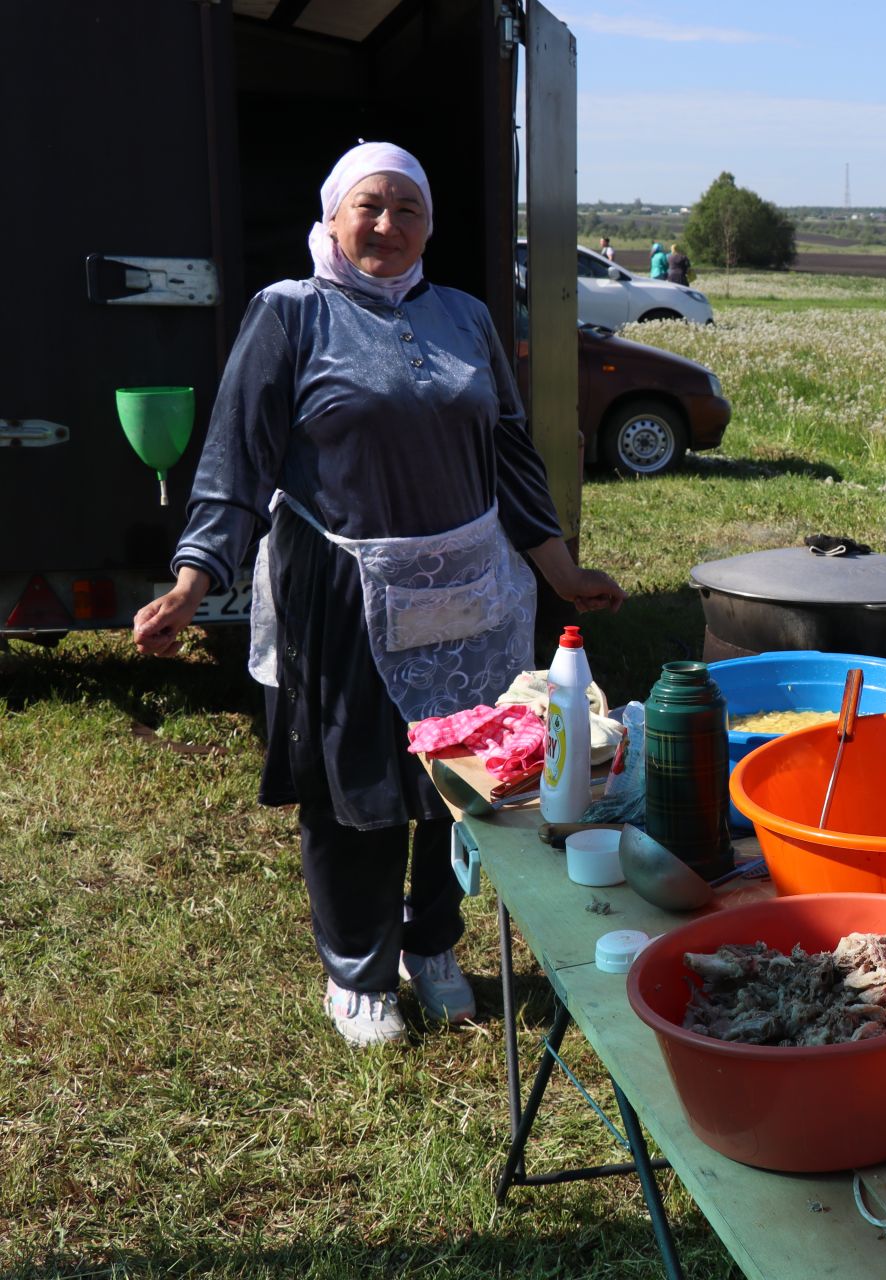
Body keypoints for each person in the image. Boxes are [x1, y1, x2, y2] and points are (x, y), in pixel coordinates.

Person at [133, 142, 627, 1048]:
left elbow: (509, 454)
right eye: (370, 206)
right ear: (331, 216)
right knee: (353, 778)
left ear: (430, 224)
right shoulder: (290, 315)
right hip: (346, 589)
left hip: (470, 589)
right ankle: (355, 971)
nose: (389, 224)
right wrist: (194, 579)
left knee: (463, 777)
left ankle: (433, 943)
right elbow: (236, 458)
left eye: (408, 209)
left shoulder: (467, 316)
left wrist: (561, 572)